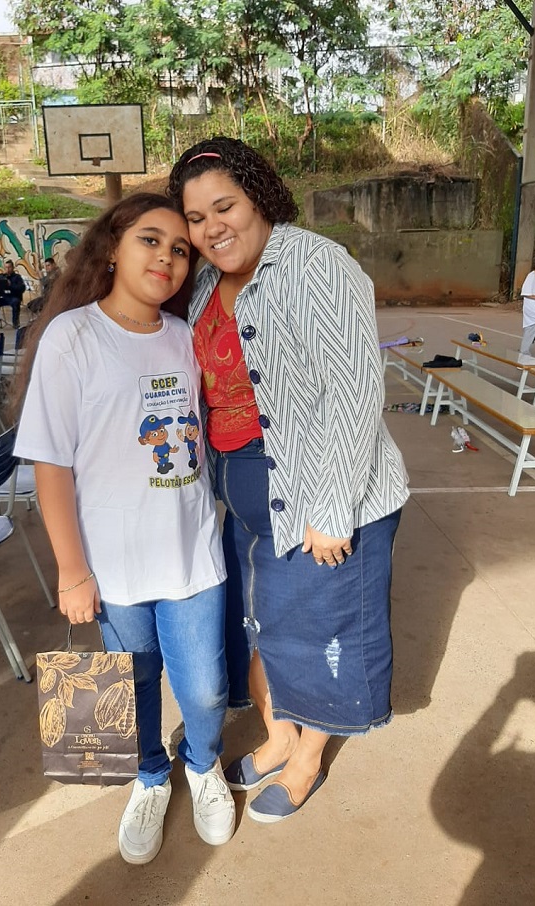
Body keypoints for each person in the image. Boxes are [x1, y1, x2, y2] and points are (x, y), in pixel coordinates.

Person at [167, 138, 409, 823]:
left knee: (320, 631)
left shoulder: (316, 264)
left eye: (225, 206)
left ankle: (307, 759)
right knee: (266, 624)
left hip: (322, 492)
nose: (212, 228)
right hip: (248, 494)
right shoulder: (207, 283)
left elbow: (355, 392)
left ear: (258, 197)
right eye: (196, 217)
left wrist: (332, 510)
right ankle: (278, 737)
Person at [14, 193, 235, 865]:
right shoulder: (73, 337)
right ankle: (150, 776)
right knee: (132, 683)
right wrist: (72, 571)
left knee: (205, 687)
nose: (167, 257)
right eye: (150, 240)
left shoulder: (184, 335)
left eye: (180, 249)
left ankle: (202, 763)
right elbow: (51, 462)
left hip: (191, 550)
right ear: (112, 247)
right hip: (112, 565)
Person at [0, 259, 26, 328]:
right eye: (6, 267)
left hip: (14, 297)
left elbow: (22, 288)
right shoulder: (1, 276)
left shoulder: (17, 277)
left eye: (9, 267)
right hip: (4, 297)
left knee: (15, 302)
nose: (7, 269)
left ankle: (15, 322)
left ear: (13, 268)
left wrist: (10, 285)